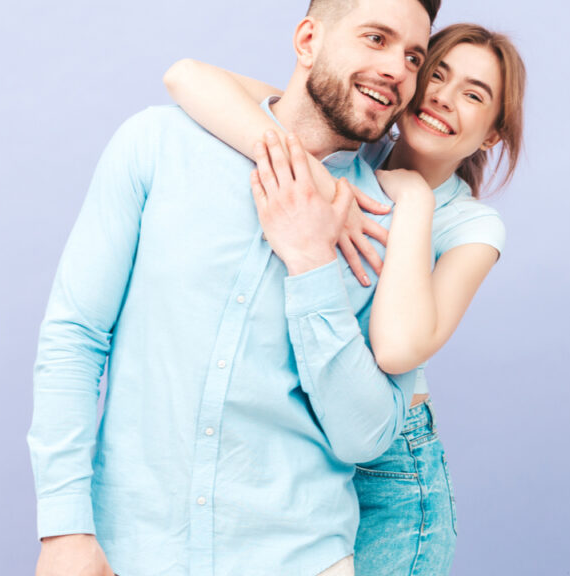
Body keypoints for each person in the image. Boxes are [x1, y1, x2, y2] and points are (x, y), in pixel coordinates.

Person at [27, 1, 439, 575]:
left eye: (413, 55)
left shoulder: (391, 226)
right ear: (307, 40)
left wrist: (312, 263)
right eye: (376, 39)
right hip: (129, 554)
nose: (397, 68)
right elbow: (75, 336)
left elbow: (367, 437)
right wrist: (64, 527)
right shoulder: (157, 143)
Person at [164, 22, 526, 575]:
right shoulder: (345, 140)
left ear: (492, 134)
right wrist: (312, 171)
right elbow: (186, 76)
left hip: (390, 475)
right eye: (435, 74)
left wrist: (412, 204)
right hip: (297, 438)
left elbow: (398, 349)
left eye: (473, 95)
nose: (443, 98)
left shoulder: (473, 227)